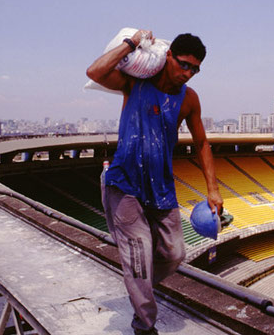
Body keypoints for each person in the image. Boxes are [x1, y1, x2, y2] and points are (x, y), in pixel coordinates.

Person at [86, 29, 223, 334]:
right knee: (138, 259)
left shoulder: (189, 99)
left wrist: (212, 189)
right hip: (124, 184)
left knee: (175, 254)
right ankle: (144, 325)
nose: (188, 74)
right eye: (183, 64)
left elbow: (201, 143)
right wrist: (132, 43)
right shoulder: (136, 83)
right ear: (168, 56)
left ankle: (138, 285)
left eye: (195, 69)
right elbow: (95, 72)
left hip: (161, 188)